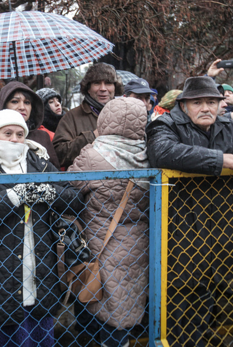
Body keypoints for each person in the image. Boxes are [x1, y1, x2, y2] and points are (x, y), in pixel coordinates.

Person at [146, 76, 233, 347]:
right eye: (198, 102)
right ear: (183, 105)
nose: (205, 108)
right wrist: (220, 159)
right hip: (184, 229)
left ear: (220, 104)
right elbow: (163, 152)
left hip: (227, 229)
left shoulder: (230, 126)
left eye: (211, 102)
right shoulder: (165, 124)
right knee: (187, 300)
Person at [0, 109, 82, 347]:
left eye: (19, 134)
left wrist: (50, 193)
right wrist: (12, 198)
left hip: (40, 269)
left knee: (38, 334)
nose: (14, 139)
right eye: (7, 133)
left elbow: (75, 200)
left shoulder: (41, 164)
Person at [68, 98, 151, 347]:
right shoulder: (150, 155)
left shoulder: (93, 155)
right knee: (126, 298)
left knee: (96, 294)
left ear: (105, 119)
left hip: (101, 240)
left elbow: (70, 188)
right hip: (140, 242)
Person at [53, 62, 123, 168]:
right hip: (84, 182)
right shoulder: (72, 117)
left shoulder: (124, 114)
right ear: (88, 88)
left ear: (115, 87)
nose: (103, 88)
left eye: (108, 83)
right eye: (97, 83)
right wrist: (93, 136)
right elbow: (58, 154)